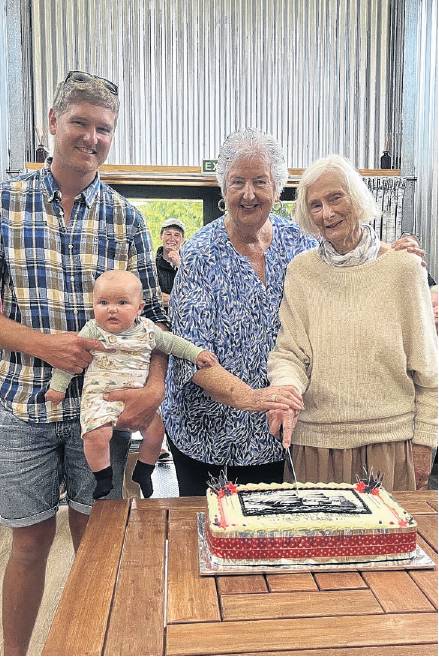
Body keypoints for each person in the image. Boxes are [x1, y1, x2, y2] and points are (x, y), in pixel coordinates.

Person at [0, 71, 169, 656]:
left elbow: (157, 329)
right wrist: (44, 346)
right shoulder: (7, 204)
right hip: (27, 402)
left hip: (105, 410)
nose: (92, 138)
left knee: (96, 540)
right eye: (81, 123)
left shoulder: (126, 218)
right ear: (52, 123)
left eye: (105, 129)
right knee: (27, 543)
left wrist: (153, 392)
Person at [267, 154, 437, 492]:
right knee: (314, 545)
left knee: (387, 545)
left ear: (356, 198)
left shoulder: (403, 270)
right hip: (315, 447)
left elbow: (429, 371)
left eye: (335, 197)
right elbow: (289, 353)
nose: (327, 213)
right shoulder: (302, 271)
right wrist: (286, 389)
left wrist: (425, 445)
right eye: (315, 205)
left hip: (388, 446)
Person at [45, 270, 217, 499]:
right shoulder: (93, 330)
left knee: (156, 432)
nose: (112, 309)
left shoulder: (148, 330)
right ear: (93, 305)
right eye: (103, 303)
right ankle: (103, 476)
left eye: (122, 302)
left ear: (139, 308)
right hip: (102, 398)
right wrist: (58, 388)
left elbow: (173, 343)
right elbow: (71, 359)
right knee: (97, 435)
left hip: (139, 398)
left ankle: (144, 471)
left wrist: (197, 354)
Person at [156, 217, 185, 308]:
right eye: (168, 234)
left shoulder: (191, 263)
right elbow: (151, 296)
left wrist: (179, 265)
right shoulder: (151, 264)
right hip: (160, 318)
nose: (172, 238)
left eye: (177, 235)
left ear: (182, 239)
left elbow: (195, 292)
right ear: (161, 236)